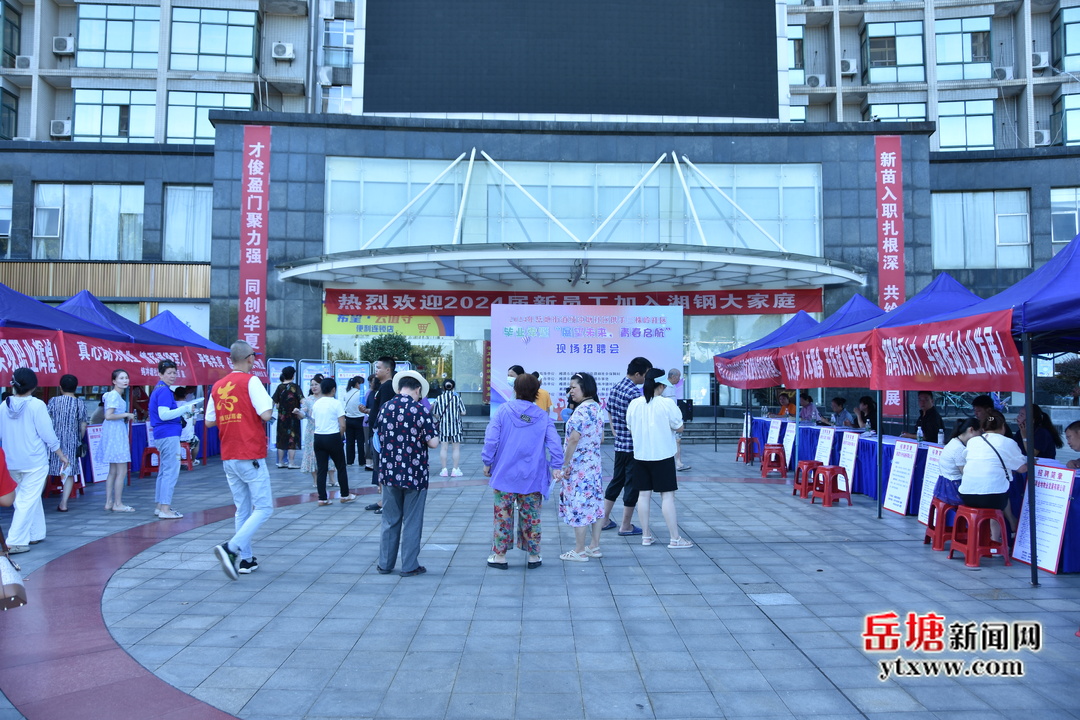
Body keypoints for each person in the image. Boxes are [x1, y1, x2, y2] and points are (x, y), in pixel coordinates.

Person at [208, 341, 275, 580]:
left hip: (229, 454)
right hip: (250, 452)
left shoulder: (217, 386)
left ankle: (245, 559)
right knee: (265, 507)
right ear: (250, 358)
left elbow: (209, 421)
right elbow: (266, 414)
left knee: (242, 508)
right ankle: (231, 548)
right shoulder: (251, 381)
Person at [482, 373, 562, 568]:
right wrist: (556, 466)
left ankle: (500, 556)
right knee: (532, 516)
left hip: (504, 475)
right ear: (537, 393)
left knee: (502, 516)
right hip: (532, 476)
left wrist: (487, 462)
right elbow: (555, 443)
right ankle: (534, 556)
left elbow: (491, 439)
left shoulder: (502, 411)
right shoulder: (543, 416)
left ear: (515, 390)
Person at [375, 370, 439, 577]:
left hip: (389, 472)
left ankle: (385, 564)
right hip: (414, 474)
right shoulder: (420, 410)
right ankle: (409, 565)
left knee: (389, 520)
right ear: (418, 389)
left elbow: (379, 436)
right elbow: (433, 443)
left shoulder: (385, 407)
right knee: (412, 520)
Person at [0, 368, 69, 553]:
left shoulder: (3, 406)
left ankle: (36, 533)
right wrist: (61, 454)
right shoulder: (37, 405)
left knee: (28, 499)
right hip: (34, 461)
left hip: (11, 460)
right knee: (26, 500)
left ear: (13, 384)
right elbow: (48, 434)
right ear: (34, 386)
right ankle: (14, 541)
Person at [626, 368, 691, 549]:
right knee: (667, 497)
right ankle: (674, 538)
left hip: (640, 455)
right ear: (661, 385)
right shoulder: (667, 404)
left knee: (643, 495)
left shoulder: (635, 404)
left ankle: (646, 536)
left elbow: (630, 428)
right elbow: (679, 427)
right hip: (663, 455)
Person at [600, 356, 652, 537]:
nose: (645, 379)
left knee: (616, 481)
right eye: (645, 375)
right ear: (637, 374)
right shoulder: (635, 394)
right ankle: (626, 525)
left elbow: (610, 412)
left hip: (620, 445)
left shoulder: (615, 387)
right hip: (633, 446)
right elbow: (639, 423)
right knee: (631, 485)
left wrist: (615, 430)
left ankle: (604, 519)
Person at [556, 372, 604, 562]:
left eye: (574, 387)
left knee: (579, 506)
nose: (571, 391)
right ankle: (594, 546)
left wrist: (565, 463)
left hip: (579, 468)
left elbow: (574, 439)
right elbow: (600, 437)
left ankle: (579, 550)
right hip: (593, 466)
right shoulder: (596, 408)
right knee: (595, 504)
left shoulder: (582, 411)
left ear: (585, 388)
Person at [149, 359, 202, 520]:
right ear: (160, 374)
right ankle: (165, 508)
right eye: (169, 373)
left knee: (164, 471)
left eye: (174, 372)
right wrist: (184, 409)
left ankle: (160, 506)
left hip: (163, 434)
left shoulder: (159, 389)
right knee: (170, 472)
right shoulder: (164, 391)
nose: (172, 376)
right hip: (168, 434)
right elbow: (164, 415)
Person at [960, 410, 1026, 540]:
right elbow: (1022, 468)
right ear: (1003, 427)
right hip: (992, 498)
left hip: (967, 495)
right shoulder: (1008, 442)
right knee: (997, 502)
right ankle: (995, 543)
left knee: (994, 488)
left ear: (983, 428)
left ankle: (980, 541)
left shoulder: (973, 441)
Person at [47, 374, 88, 512]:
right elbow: (83, 425)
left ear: (60, 387)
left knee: (47, 470)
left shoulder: (53, 401)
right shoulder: (80, 403)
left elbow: (47, 421)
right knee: (69, 472)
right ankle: (63, 503)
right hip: (72, 441)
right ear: (76, 388)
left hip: (54, 441)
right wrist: (79, 439)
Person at [311, 377, 355, 506]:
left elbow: (315, 421)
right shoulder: (336, 403)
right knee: (341, 466)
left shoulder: (317, 403)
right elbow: (342, 425)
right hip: (333, 436)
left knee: (322, 468)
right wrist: (340, 437)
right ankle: (345, 495)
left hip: (318, 437)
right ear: (333, 389)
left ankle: (322, 498)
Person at [100, 369, 136, 512]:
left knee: (113, 471)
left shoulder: (111, 395)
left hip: (113, 433)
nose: (125, 380)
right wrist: (126, 414)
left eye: (126, 377)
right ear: (114, 381)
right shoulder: (114, 396)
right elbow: (108, 415)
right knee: (121, 471)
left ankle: (109, 502)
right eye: (121, 378)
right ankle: (118, 503)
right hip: (116, 434)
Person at [366, 357, 397, 513]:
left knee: (384, 470)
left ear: (388, 370)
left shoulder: (388, 387)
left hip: (382, 436)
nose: (376, 370)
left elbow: (385, 412)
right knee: (379, 470)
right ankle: (382, 501)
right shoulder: (382, 386)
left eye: (378, 367)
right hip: (377, 435)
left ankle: (387, 502)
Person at [295, 374, 333, 488]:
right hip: (311, 432)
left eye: (316, 384)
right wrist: (298, 413)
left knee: (329, 454)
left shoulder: (328, 398)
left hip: (326, 430)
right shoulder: (308, 400)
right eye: (312, 385)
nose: (314, 387)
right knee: (312, 455)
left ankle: (332, 479)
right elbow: (303, 414)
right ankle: (316, 481)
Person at [934, 418, 981, 505]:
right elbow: (966, 474)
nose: (981, 437)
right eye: (980, 433)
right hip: (953, 491)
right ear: (971, 429)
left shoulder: (953, 442)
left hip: (944, 488)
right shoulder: (959, 448)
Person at [432, 379, 466, 477]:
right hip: (456, 427)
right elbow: (463, 412)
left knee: (444, 448)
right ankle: (455, 470)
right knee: (456, 448)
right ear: (453, 387)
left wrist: (440, 417)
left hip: (443, 426)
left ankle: (444, 470)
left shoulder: (439, 398)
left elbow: (435, 413)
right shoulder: (457, 398)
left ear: (443, 387)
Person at [272, 367, 303, 469]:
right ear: (293, 375)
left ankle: (280, 462)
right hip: (293, 417)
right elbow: (302, 400)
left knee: (281, 439)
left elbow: (274, 402)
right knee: (292, 439)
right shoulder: (295, 387)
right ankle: (291, 462)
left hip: (282, 418)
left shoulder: (279, 387)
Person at [663, 368, 691, 472]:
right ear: (673, 376)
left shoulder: (673, 386)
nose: (679, 379)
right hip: (667, 419)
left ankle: (678, 462)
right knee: (674, 441)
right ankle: (675, 463)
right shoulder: (664, 386)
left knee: (677, 441)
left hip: (673, 418)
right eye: (678, 377)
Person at [343, 375, 367, 467]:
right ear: (358, 384)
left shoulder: (347, 393)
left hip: (348, 419)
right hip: (359, 419)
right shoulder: (361, 393)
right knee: (361, 441)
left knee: (349, 441)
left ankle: (349, 461)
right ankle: (362, 461)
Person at [174, 387, 201, 466]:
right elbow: (194, 422)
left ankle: (180, 460)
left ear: (175, 395)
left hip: (175, 436)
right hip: (188, 437)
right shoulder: (190, 406)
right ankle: (192, 460)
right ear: (185, 395)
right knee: (197, 442)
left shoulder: (172, 406)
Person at [363, 375, 377, 471]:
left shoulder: (376, 393)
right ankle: (369, 463)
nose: (372, 384)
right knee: (368, 441)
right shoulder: (369, 393)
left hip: (370, 420)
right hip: (368, 421)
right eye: (371, 381)